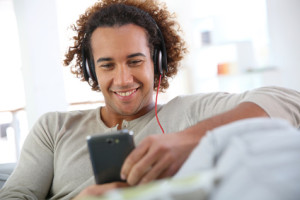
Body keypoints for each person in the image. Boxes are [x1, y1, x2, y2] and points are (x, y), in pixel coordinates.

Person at [0, 0, 300, 199]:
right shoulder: (54, 128)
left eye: (134, 61)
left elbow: (289, 101)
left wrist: (190, 139)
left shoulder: (190, 113)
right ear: (91, 69)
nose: (123, 79)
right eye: (107, 65)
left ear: (156, 62)